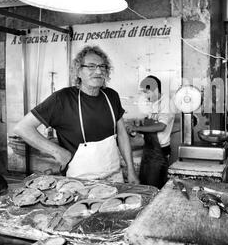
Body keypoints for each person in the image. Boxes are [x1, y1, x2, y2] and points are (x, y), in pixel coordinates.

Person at [13, 46, 139, 184]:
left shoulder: (111, 96)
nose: (98, 71)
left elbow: (121, 134)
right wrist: (57, 152)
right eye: (91, 66)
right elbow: (23, 127)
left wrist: (131, 171)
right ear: (78, 71)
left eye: (102, 66)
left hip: (114, 176)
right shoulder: (62, 99)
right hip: (79, 181)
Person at [126, 75, 175, 189]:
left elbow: (161, 126)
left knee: (155, 187)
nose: (145, 95)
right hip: (148, 149)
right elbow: (147, 126)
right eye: (144, 92)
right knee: (145, 185)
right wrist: (136, 128)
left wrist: (136, 129)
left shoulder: (166, 103)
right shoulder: (151, 104)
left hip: (160, 152)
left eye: (147, 92)